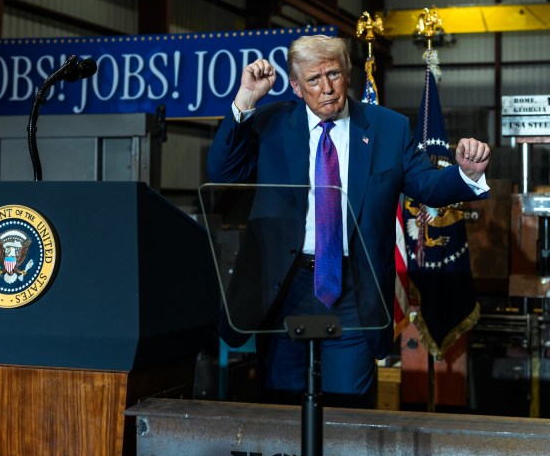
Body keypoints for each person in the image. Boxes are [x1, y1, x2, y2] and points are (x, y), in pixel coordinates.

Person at [207, 34, 491, 407]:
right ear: (295, 86)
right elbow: (223, 173)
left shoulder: (387, 128)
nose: (327, 88)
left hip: (355, 290)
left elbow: (426, 185)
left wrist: (465, 174)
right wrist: (245, 100)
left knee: (350, 409)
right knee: (281, 406)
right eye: (314, 79)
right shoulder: (270, 124)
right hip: (284, 288)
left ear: (348, 74)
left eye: (334, 74)